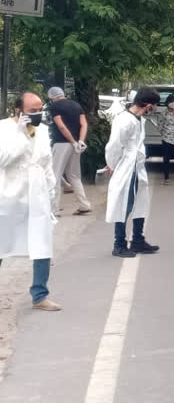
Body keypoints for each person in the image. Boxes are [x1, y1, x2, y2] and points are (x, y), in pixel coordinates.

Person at [0, 92, 61, 311]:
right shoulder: (4, 128)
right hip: (9, 196)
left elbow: (47, 163)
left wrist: (52, 193)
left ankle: (40, 295)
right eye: (32, 110)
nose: (37, 114)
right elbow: (3, 159)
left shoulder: (43, 131)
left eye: (40, 109)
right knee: (2, 244)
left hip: (38, 196)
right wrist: (20, 135)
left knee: (42, 244)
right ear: (18, 110)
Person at [105, 88, 162, 258]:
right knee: (124, 204)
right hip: (125, 167)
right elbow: (114, 146)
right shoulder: (124, 120)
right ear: (148, 104)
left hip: (137, 167)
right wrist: (112, 165)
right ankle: (119, 244)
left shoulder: (139, 120)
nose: (155, 108)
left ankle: (137, 240)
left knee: (140, 204)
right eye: (155, 105)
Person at [47, 86, 91, 216]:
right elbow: (84, 124)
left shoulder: (55, 107)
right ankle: (84, 204)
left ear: (52, 97)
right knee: (74, 175)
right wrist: (80, 141)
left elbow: (61, 126)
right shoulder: (76, 105)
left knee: (55, 175)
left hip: (61, 144)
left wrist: (71, 141)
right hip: (77, 144)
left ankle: (53, 209)